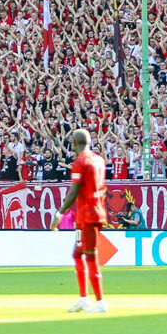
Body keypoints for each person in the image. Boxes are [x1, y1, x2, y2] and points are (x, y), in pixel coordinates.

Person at [51, 128, 107, 314]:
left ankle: (100, 302)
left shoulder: (80, 162)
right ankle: (84, 299)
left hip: (88, 215)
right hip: (89, 214)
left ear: (74, 144)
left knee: (90, 255)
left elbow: (73, 192)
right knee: (78, 254)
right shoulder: (99, 160)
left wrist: (59, 213)